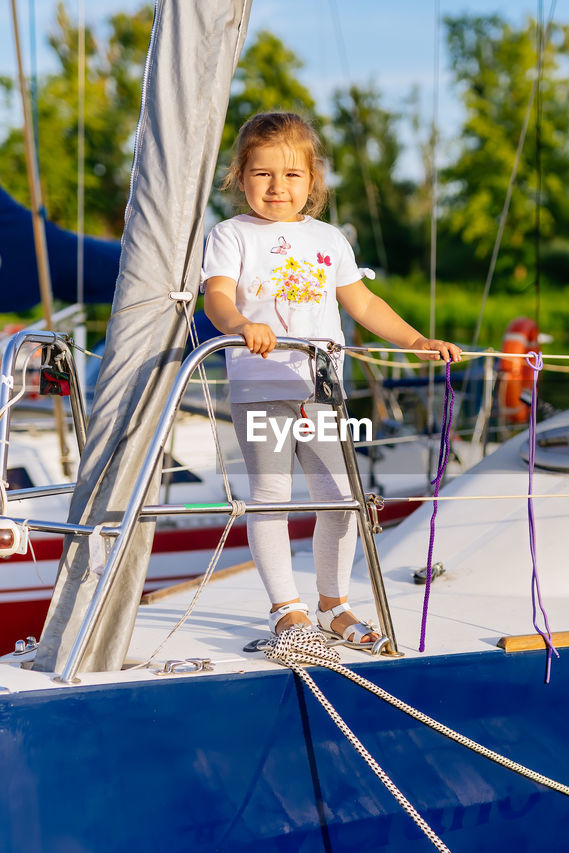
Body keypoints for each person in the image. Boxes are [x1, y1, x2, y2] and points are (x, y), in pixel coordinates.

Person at [201, 111, 461, 651]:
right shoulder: (231, 235)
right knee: (271, 496)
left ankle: (332, 604)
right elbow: (218, 297)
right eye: (263, 173)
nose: (277, 187)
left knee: (341, 499)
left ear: (312, 180)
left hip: (320, 391)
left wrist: (416, 341)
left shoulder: (329, 239)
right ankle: (285, 608)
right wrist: (241, 325)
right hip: (262, 388)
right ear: (241, 176)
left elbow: (363, 302)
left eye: (292, 175)